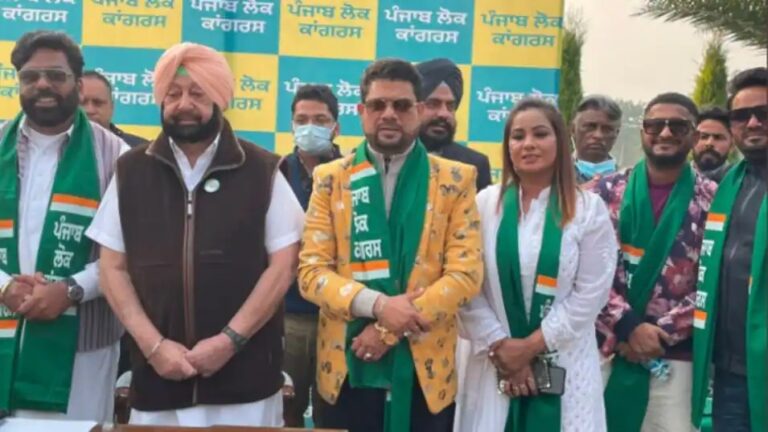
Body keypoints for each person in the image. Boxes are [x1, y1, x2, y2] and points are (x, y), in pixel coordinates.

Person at [86, 42, 304, 427]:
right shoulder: (131, 171)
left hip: (245, 383)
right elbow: (111, 269)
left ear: (219, 99)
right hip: (158, 380)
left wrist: (229, 341)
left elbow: (284, 265)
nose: (184, 104)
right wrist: (154, 347)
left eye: (197, 93)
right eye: (173, 94)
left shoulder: (262, 169)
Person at [298, 58, 483, 432]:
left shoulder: (455, 179)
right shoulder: (330, 179)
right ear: (361, 112)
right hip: (347, 364)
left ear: (418, 111)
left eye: (401, 105)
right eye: (378, 105)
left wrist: (388, 330)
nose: (389, 114)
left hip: (425, 371)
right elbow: (311, 274)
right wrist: (379, 305)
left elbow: (465, 276)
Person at [455, 98, 617, 431]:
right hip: (492, 364)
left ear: (561, 141)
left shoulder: (588, 209)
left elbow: (591, 295)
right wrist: (501, 346)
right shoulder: (484, 203)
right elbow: (466, 282)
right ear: (507, 146)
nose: (528, 144)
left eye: (540, 134)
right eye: (518, 136)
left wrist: (529, 348)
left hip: (564, 363)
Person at [0, 30, 125, 422]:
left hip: (82, 350)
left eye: (56, 75)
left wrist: (70, 290)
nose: (42, 85)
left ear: (78, 83)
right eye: (30, 76)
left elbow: (129, 251)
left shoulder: (118, 157)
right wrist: (4, 287)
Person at [595, 92, 717, 432]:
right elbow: (584, 270)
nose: (665, 133)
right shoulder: (602, 193)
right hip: (609, 347)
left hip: (675, 357)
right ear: (642, 132)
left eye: (677, 126)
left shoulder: (715, 199)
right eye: (655, 125)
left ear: (694, 135)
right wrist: (627, 325)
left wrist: (658, 334)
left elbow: (715, 281)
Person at [692, 67, 767, 432]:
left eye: (763, 113)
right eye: (741, 115)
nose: (752, 122)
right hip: (730, 371)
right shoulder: (728, 185)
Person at [279, 84, 342, 427]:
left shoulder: (354, 174)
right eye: (302, 120)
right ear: (291, 125)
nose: (310, 127)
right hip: (287, 316)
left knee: (333, 413)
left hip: (339, 316)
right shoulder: (275, 173)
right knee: (285, 410)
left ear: (336, 127)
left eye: (320, 120)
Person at [416, 58, 492, 190]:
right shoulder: (389, 157)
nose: (444, 114)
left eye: (450, 106)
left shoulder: (474, 164)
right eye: (433, 104)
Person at [80, 70, 147, 147]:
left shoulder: (139, 149)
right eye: (81, 103)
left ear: (111, 107)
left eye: (98, 103)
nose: (90, 110)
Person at [571, 95, 622, 186]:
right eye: (590, 127)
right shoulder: (553, 178)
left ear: (616, 134)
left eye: (607, 129)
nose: (598, 135)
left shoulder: (628, 183)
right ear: (573, 130)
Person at [692, 106, 733, 183]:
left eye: (718, 138)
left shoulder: (741, 182)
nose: (709, 143)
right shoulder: (675, 178)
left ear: (732, 145)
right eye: (703, 137)